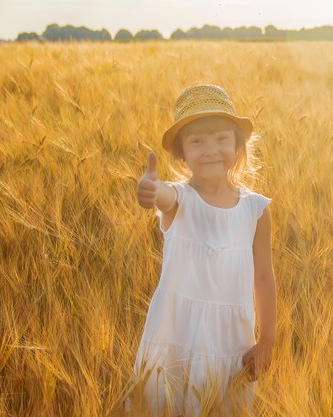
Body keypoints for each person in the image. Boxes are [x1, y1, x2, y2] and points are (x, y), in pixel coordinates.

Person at [125, 84, 277, 416]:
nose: (210, 150)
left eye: (221, 138)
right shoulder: (179, 200)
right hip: (177, 338)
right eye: (197, 141)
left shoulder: (255, 209)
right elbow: (163, 195)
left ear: (237, 145)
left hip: (231, 343)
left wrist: (266, 340)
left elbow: (264, 277)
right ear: (181, 153)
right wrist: (150, 189)